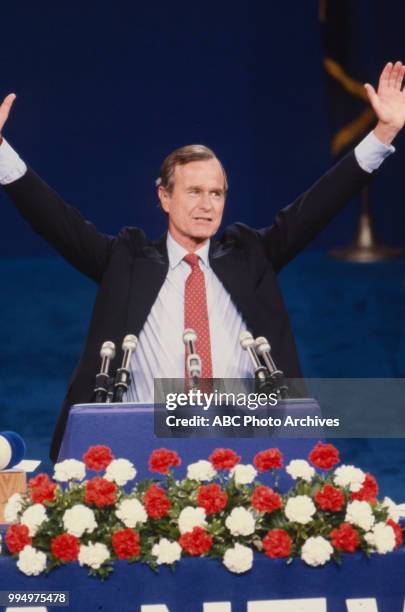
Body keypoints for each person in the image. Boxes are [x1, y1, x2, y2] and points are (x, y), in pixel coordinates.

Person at [1, 62, 404, 462]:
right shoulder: (127, 259)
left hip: (246, 446)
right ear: (163, 196)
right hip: (139, 447)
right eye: (194, 191)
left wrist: (382, 133)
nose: (206, 205)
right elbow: (55, 221)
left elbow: (317, 206)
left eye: (216, 193)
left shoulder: (250, 254)